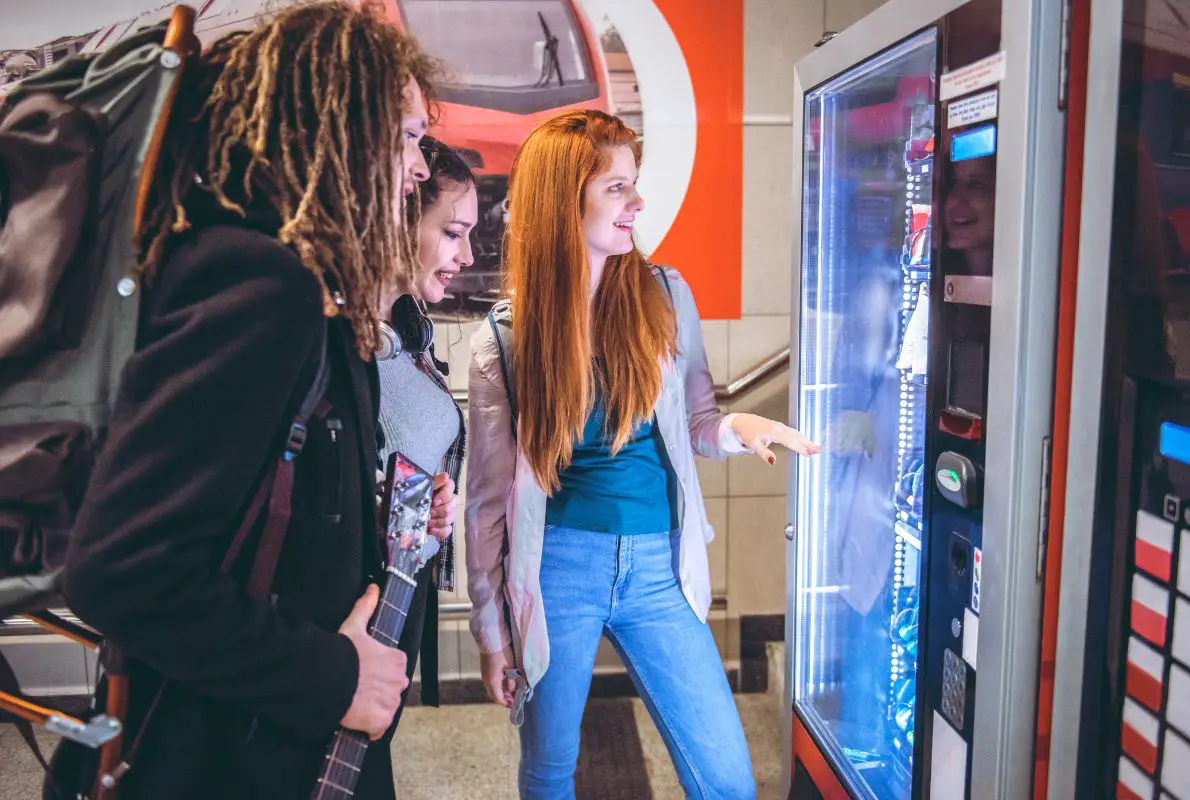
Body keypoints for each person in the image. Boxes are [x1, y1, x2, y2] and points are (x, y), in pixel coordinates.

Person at [59, 4, 439, 797]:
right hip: (228, 757)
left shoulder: (306, 283)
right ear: (343, 132)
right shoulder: (263, 285)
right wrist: (334, 677)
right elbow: (122, 571)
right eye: (405, 136)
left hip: (276, 742)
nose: (420, 166)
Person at [464, 109, 820, 799]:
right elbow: (483, 508)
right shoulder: (502, 341)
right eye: (616, 188)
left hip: (658, 569)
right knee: (548, 772)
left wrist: (739, 426)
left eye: (635, 184)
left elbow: (697, 422)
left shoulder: (665, 296)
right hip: (559, 570)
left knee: (727, 780)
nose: (638, 203)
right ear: (565, 202)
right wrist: (490, 632)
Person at [366, 135, 477, 784]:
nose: (465, 254)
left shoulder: (409, 328)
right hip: (356, 606)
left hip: (399, 585)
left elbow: (393, 461)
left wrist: (429, 500)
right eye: (452, 231)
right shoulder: (346, 338)